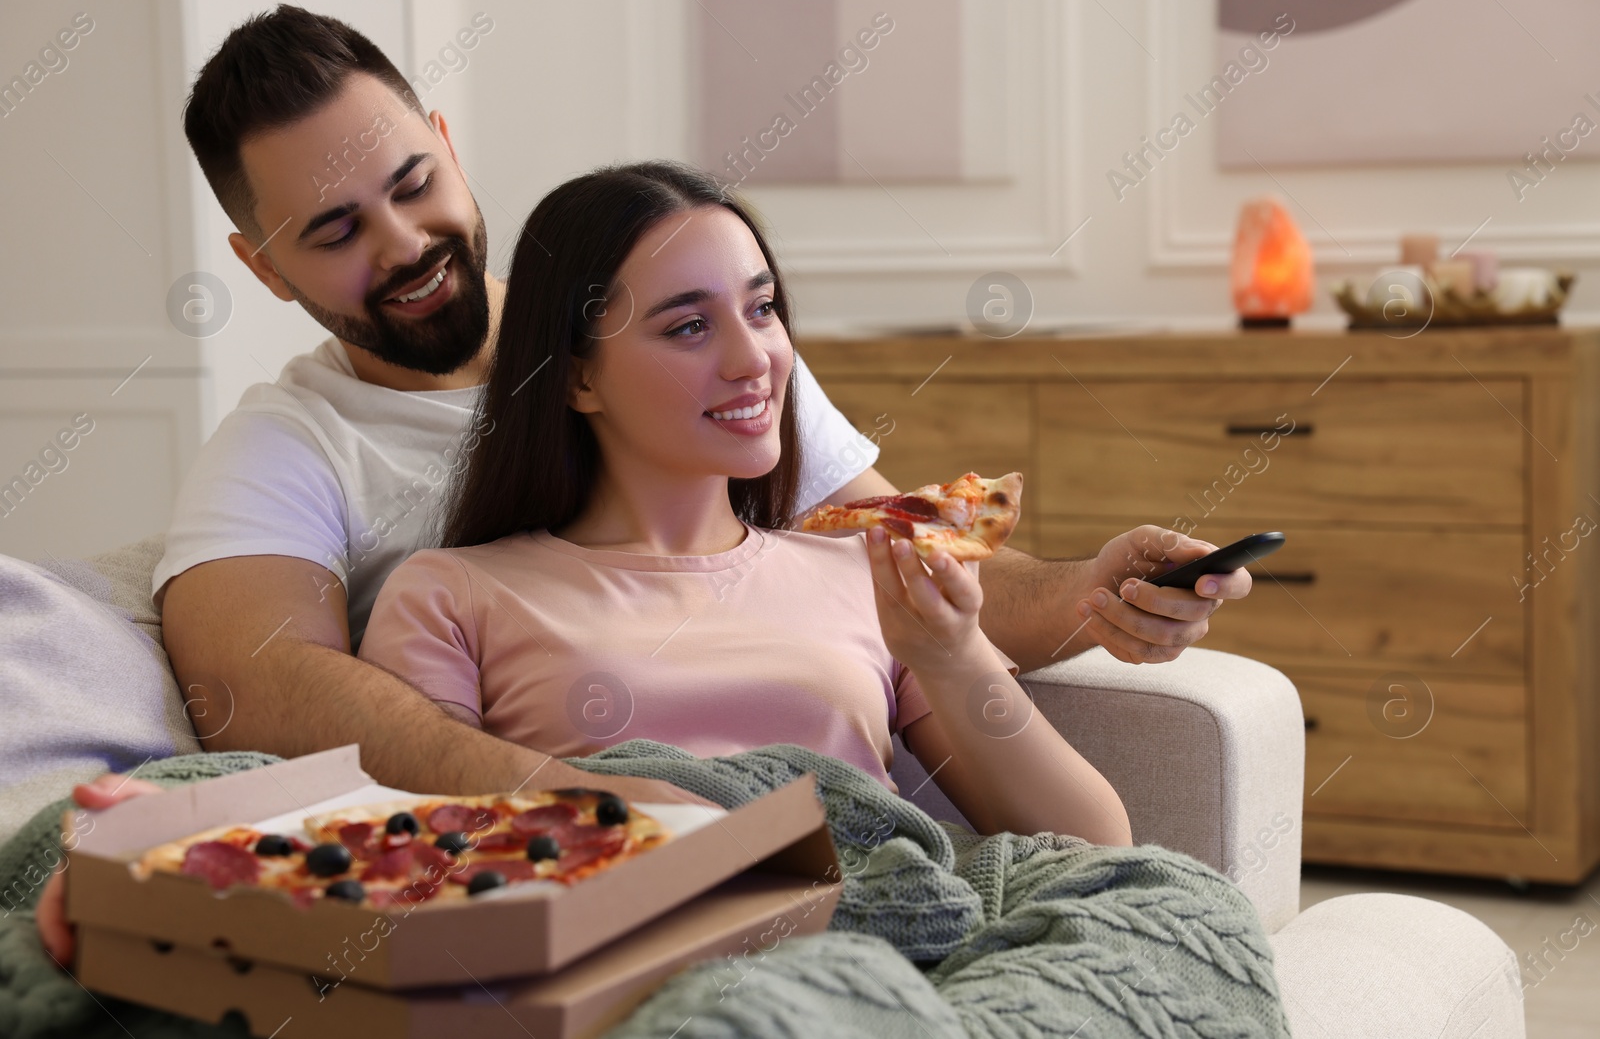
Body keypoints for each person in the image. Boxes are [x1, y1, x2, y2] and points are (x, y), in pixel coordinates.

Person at [148, 4, 1250, 804]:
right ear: (263, 267)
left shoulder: (712, 340)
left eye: (411, 184)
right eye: (335, 231)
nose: (403, 245)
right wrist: (606, 813)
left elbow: (895, 561)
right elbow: (259, 689)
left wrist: (1090, 591)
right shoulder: (293, 455)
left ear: (446, 143)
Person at [354, 160, 1131, 842]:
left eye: (762, 310)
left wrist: (951, 651)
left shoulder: (862, 573)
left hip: (876, 945)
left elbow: (1093, 843)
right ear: (577, 378)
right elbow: (425, 854)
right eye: (690, 326)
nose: (752, 357)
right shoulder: (450, 595)